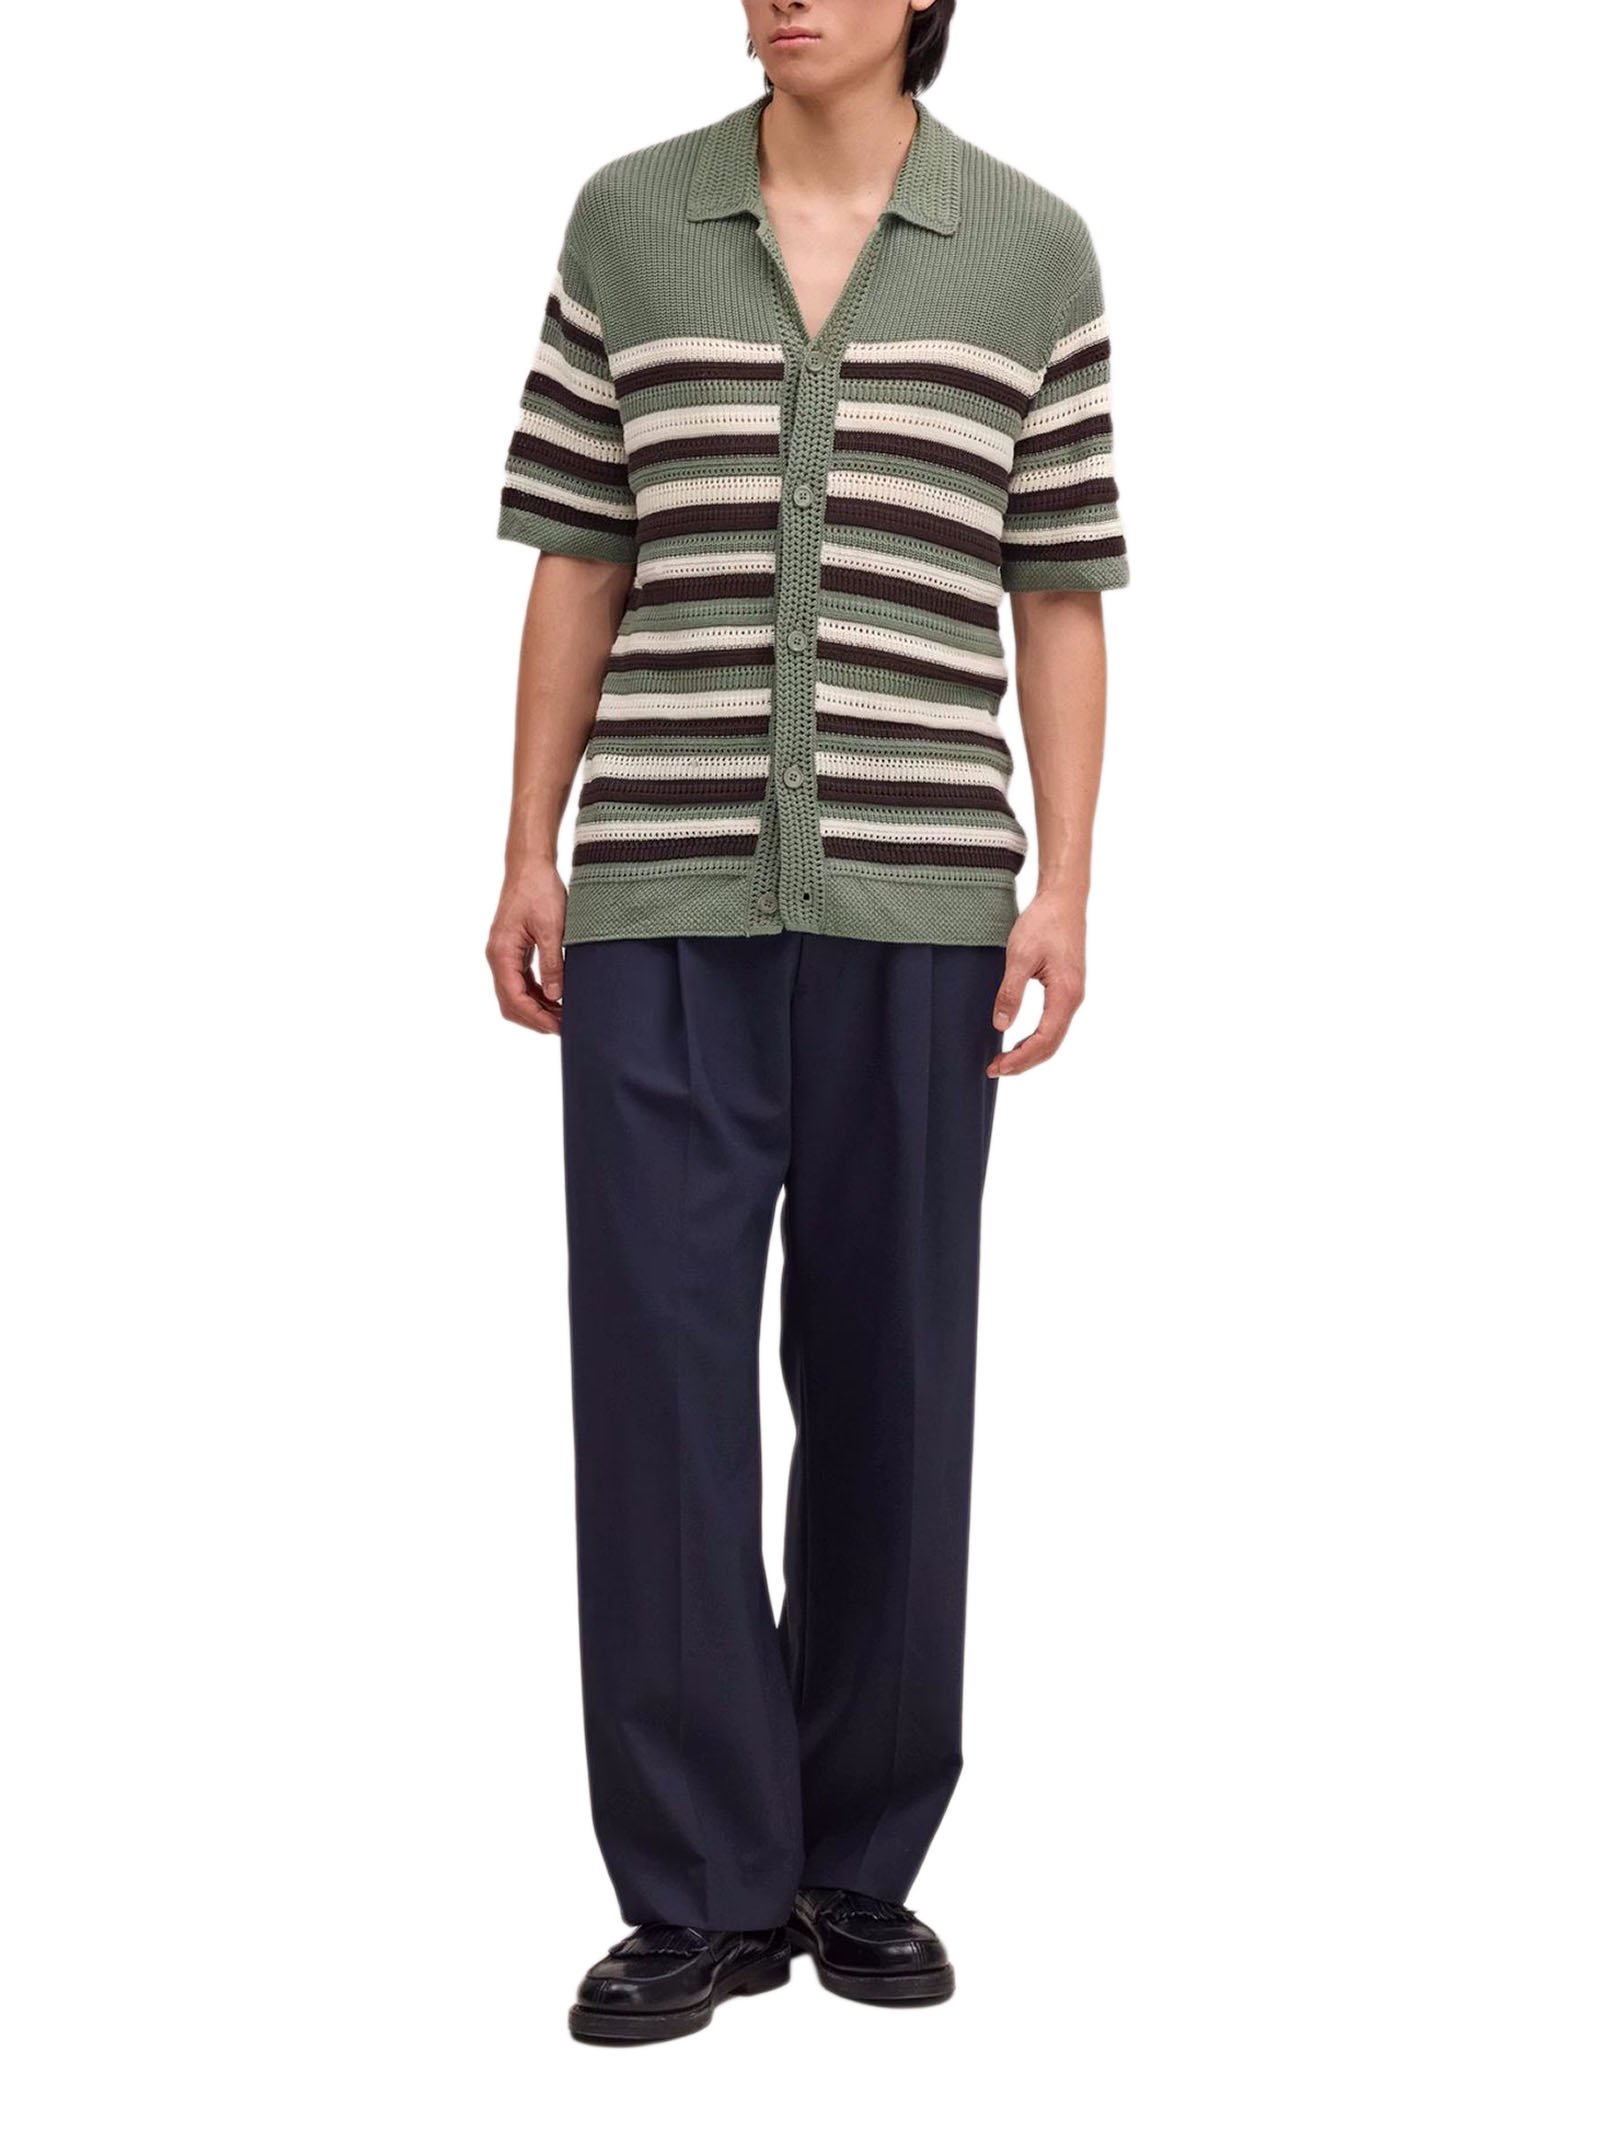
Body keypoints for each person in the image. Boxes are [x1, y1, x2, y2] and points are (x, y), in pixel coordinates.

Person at [486, 0, 1127, 2045]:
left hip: (921, 906)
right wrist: (527, 846)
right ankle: (696, 1884)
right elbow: (578, 553)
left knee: (891, 1377)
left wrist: (1063, 882)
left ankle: (856, 1858)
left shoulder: (1028, 248)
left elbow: (1056, 584)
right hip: (661, 893)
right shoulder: (627, 221)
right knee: (655, 1386)